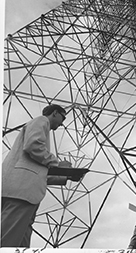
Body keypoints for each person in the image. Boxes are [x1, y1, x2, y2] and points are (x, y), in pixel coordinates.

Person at [1, 104, 72, 247]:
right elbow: (33, 145)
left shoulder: (41, 126)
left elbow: (37, 174)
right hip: (21, 192)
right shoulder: (42, 120)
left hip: (22, 190)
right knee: (7, 241)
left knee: (20, 241)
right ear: (55, 113)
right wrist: (58, 165)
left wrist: (67, 176)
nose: (62, 123)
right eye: (63, 118)